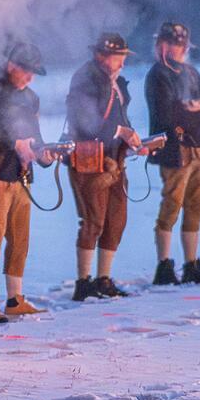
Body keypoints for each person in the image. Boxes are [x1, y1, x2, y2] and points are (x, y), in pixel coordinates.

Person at [0, 41, 51, 321]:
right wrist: (14, 143)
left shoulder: (30, 97)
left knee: (20, 240)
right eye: (26, 71)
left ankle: (15, 299)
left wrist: (44, 154)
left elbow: (35, 134)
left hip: (21, 177)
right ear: (11, 66)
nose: (30, 78)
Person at [143, 21, 200, 286]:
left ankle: (191, 263)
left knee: (195, 207)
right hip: (174, 150)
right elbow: (166, 113)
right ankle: (164, 265)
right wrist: (194, 109)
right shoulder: (158, 74)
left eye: (181, 45)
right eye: (172, 44)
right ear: (160, 45)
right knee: (171, 205)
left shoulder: (190, 72)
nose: (177, 49)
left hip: (198, 148)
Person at [67, 33, 144, 301]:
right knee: (93, 221)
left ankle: (103, 279)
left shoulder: (116, 83)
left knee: (116, 221)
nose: (122, 62)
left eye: (123, 57)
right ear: (101, 55)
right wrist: (122, 131)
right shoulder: (85, 79)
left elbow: (118, 119)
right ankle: (83, 282)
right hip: (91, 161)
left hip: (115, 160)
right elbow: (86, 122)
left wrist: (131, 140)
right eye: (117, 57)